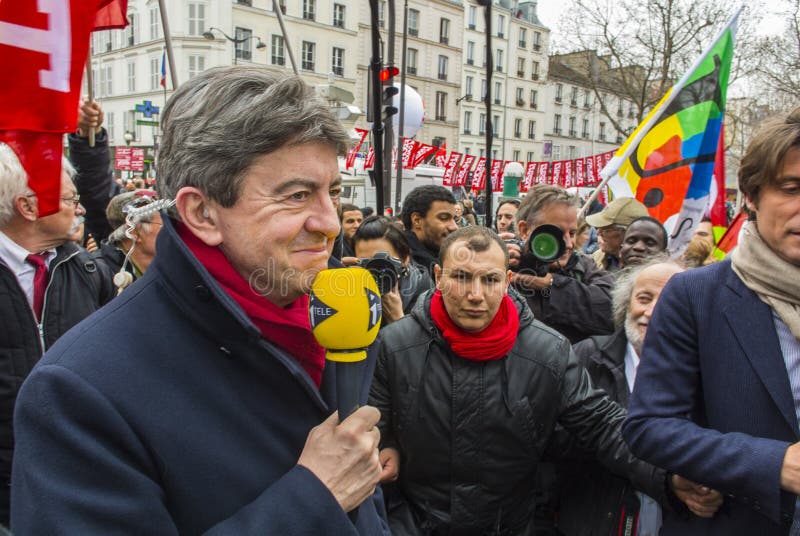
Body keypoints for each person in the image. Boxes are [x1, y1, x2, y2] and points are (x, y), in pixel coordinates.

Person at [11, 67, 389, 534]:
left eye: (332, 191)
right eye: (297, 195)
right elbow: (336, 486)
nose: (330, 222)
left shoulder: (337, 320)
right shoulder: (77, 391)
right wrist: (313, 499)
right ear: (202, 212)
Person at [370, 226, 719, 535]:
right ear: (438, 276)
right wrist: (385, 443)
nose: (475, 294)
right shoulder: (395, 345)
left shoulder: (547, 351)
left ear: (507, 281)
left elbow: (604, 425)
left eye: (489, 280)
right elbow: (375, 419)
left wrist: (668, 474)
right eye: (461, 277)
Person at [623, 108, 800, 535]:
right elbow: (650, 427)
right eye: (792, 188)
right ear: (752, 198)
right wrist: (774, 463)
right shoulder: (695, 296)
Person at [557, 259, 723, 535]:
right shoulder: (585, 357)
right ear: (626, 304)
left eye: (671, 300)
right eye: (643, 298)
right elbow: (560, 441)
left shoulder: (716, 372)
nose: (652, 311)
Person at [0, 146, 115, 525]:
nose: (78, 208)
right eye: (68, 199)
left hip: (76, 472)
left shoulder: (85, 269)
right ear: (27, 208)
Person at [512, 185, 615, 343]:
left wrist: (553, 284)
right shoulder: (504, 265)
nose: (569, 244)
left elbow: (612, 311)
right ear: (525, 230)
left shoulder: (584, 266)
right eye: (557, 233)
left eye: (572, 233)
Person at [352, 215, 434, 325]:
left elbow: (428, 341)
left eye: (381, 262)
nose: (373, 270)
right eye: (366, 263)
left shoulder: (425, 296)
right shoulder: (352, 285)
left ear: (405, 259)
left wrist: (397, 319)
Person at [93, 190, 163, 292]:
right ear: (135, 232)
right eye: (164, 225)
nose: (172, 231)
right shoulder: (98, 273)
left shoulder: (169, 265)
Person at [400, 185, 458, 279]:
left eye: (455, 219)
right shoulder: (402, 267)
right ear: (417, 220)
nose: (454, 227)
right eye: (443, 218)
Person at [586, 197, 650, 272]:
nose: (598, 233)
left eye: (605, 230)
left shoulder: (649, 269)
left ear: (628, 234)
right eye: (598, 228)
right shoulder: (597, 258)